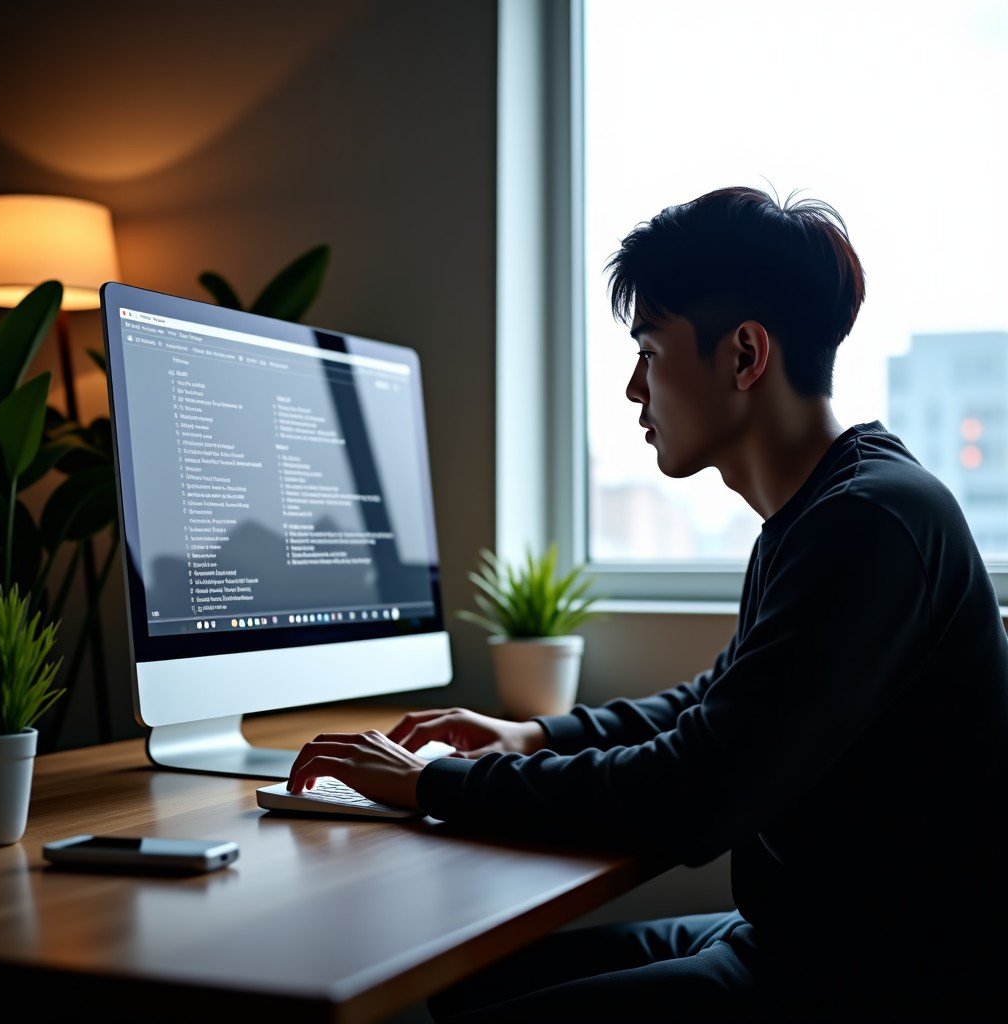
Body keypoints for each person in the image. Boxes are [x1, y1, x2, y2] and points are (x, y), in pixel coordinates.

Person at [287, 186, 1008, 1022]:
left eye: (651, 353)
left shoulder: (869, 523)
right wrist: (531, 736)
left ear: (744, 357)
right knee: (462, 985)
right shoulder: (819, 514)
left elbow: (697, 793)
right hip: (784, 938)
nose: (635, 388)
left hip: (866, 980)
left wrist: (437, 784)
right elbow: (719, 705)